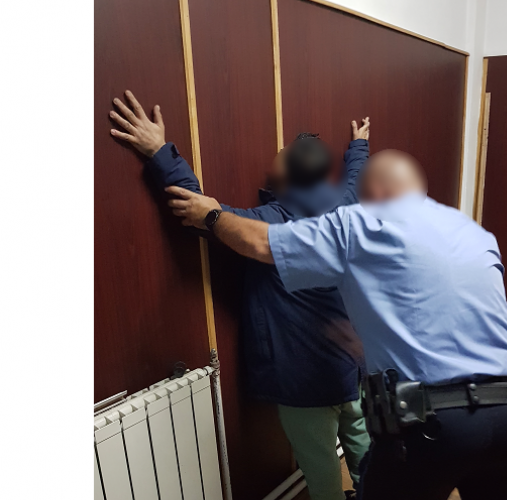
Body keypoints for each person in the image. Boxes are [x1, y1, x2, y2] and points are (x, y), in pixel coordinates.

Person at [164, 149, 507, 500]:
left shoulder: (359, 222)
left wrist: (211, 215)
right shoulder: (472, 232)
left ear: (374, 193)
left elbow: (260, 243)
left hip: (430, 419)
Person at [109, 90, 371, 500]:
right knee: (366, 455)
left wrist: (159, 150)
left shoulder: (268, 224)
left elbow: (200, 211)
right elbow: (356, 176)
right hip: (350, 373)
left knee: (323, 479)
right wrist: (359, 147)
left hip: (305, 390)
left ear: (286, 174)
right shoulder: (347, 203)